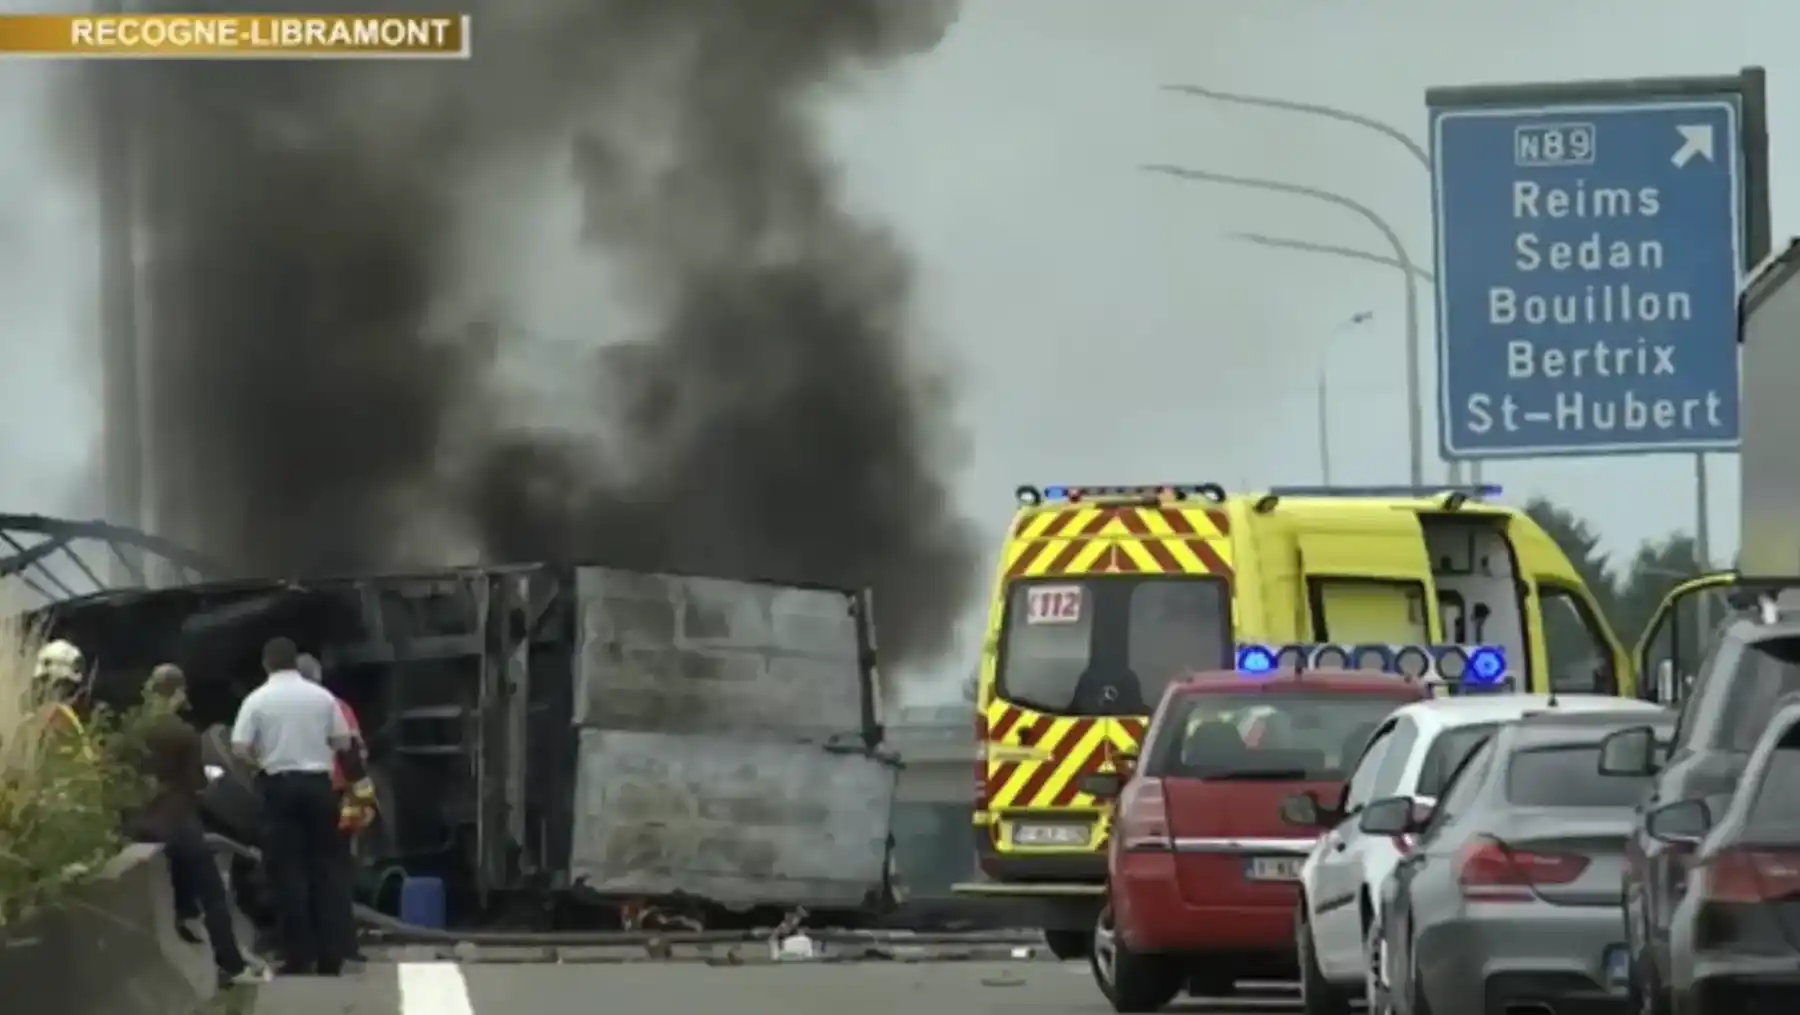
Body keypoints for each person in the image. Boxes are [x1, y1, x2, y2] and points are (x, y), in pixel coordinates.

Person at [231, 637, 359, 976]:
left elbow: (239, 747)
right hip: (320, 786)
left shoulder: (257, 699)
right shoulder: (323, 698)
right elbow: (344, 741)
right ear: (294, 660)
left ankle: (299, 957)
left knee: (287, 874)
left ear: (267, 663)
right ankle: (332, 956)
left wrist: (261, 762)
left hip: (279, 787)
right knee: (326, 870)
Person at [137, 664, 270, 988]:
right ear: (179, 692)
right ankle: (232, 966)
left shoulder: (139, 730)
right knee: (212, 894)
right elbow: (197, 784)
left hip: (146, 824)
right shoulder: (184, 733)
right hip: (181, 821)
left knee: (182, 894)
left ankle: (188, 930)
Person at [297, 652, 370, 962]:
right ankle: (343, 947)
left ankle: (305, 948)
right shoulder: (338, 707)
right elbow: (355, 755)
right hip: (335, 795)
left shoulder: (275, 706)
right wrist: (362, 799)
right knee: (337, 872)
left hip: (292, 796)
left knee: (299, 873)